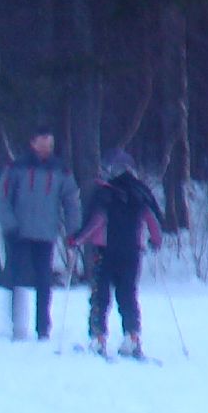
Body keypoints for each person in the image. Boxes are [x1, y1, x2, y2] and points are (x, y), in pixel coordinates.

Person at [68, 150, 165, 359]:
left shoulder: (105, 193)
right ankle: (131, 337)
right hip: (132, 253)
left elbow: (96, 222)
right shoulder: (141, 193)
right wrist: (155, 241)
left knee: (100, 296)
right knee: (127, 295)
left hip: (105, 252)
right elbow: (154, 223)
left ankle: (98, 338)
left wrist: (76, 239)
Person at [0, 127, 81, 342]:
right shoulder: (17, 168)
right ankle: (17, 325)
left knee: (44, 281)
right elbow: (4, 199)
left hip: (46, 234)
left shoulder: (61, 170)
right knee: (16, 279)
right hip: (19, 232)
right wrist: (9, 225)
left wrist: (74, 232)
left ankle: (43, 327)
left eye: (50, 145)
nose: (47, 149)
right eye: (43, 144)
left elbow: (71, 201)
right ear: (32, 143)